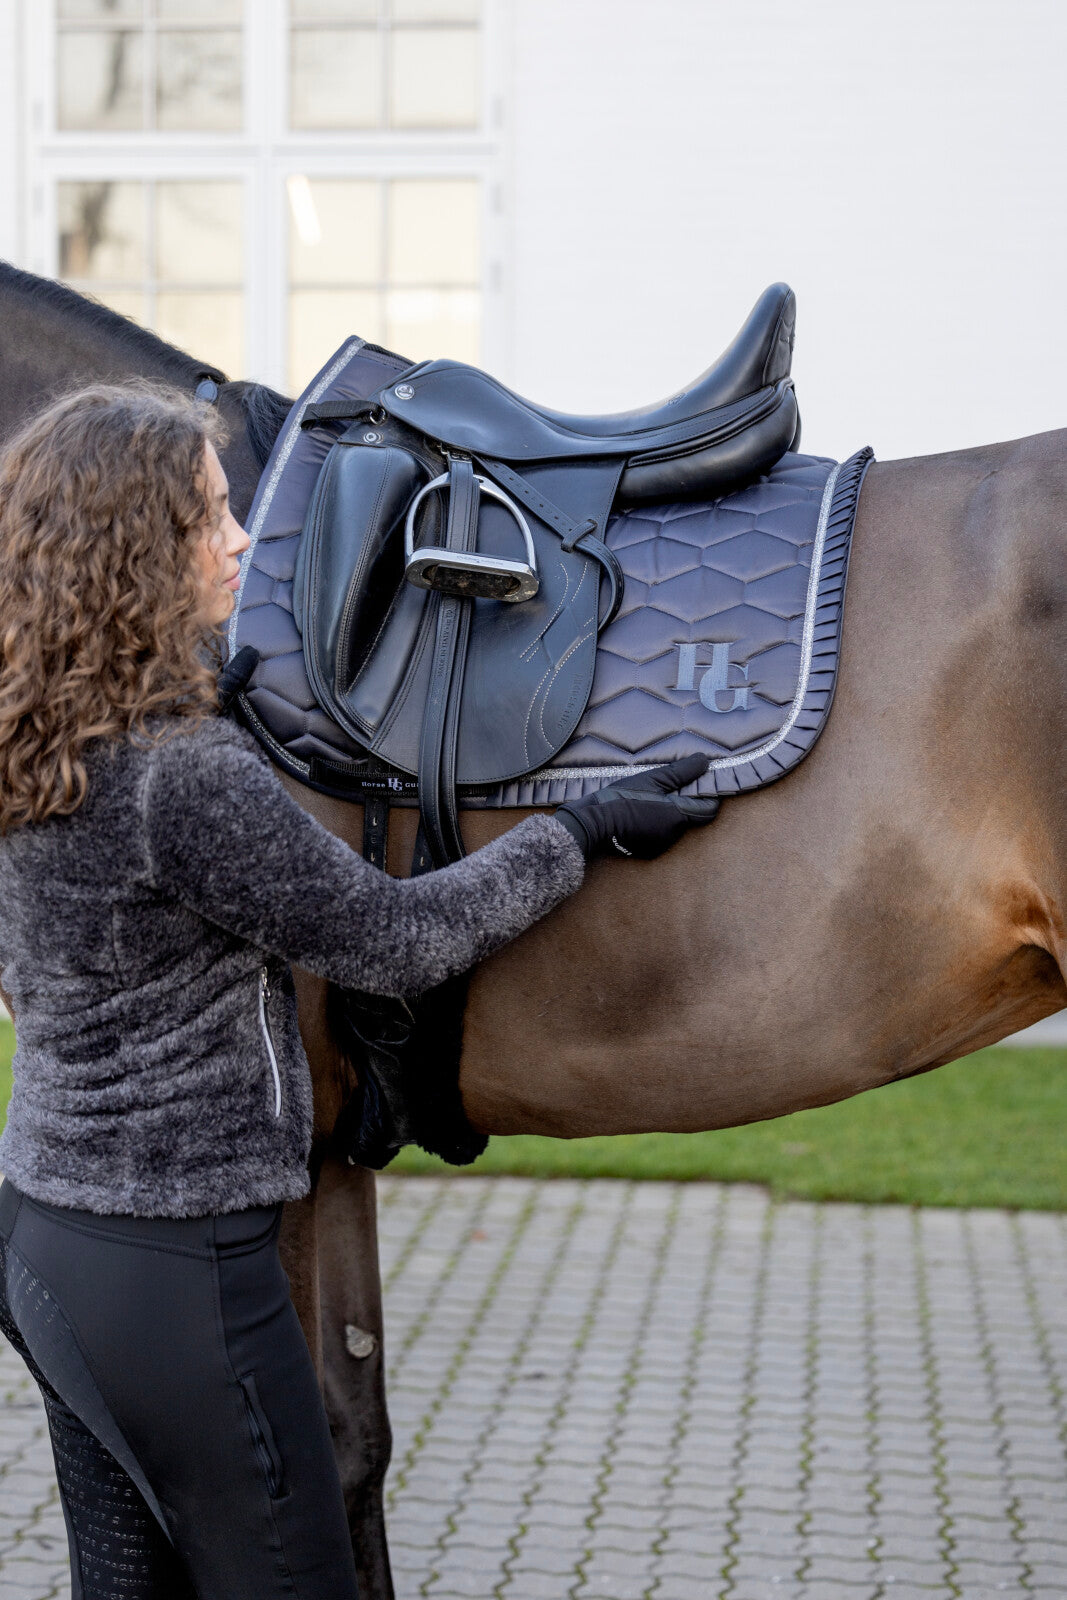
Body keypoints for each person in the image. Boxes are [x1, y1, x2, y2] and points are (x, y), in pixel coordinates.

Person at [0, 382, 718, 1599]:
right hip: (180, 1274)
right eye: (207, 518)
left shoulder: (36, 736)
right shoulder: (186, 779)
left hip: (47, 1238)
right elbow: (392, 940)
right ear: (127, 555)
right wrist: (579, 831)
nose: (241, 540)